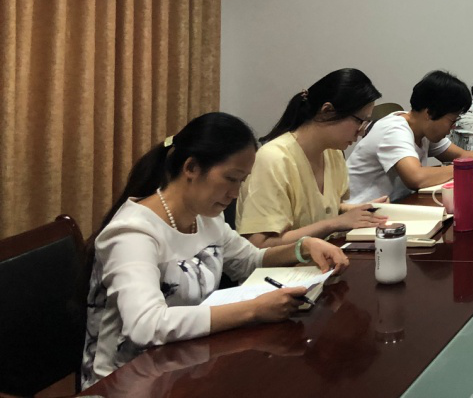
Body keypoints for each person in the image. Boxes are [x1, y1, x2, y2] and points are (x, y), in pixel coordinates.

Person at [82, 112, 348, 387]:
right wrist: (254, 309)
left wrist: (303, 248)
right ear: (191, 168)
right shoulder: (133, 233)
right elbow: (146, 325)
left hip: (183, 364)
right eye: (231, 178)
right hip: (126, 382)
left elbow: (250, 261)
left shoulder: (205, 217)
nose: (235, 193)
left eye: (242, 181)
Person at [236, 68, 388, 248]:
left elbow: (326, 209)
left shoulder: (332, 153)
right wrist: (335, 223)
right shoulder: (273, 159)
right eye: (359, 120)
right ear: (327, 111)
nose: (361, 131)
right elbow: (259, 245)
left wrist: (357, 211)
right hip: (286, 266)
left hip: (323, 259)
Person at [345, 70, 473, 203]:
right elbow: (416, 178)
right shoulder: (394, 130)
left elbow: (461, 155)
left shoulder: (422, 129)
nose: (452, 127)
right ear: (429, 113)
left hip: (392, 208)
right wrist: (463, 169)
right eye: (451, 120)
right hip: (358, 219)